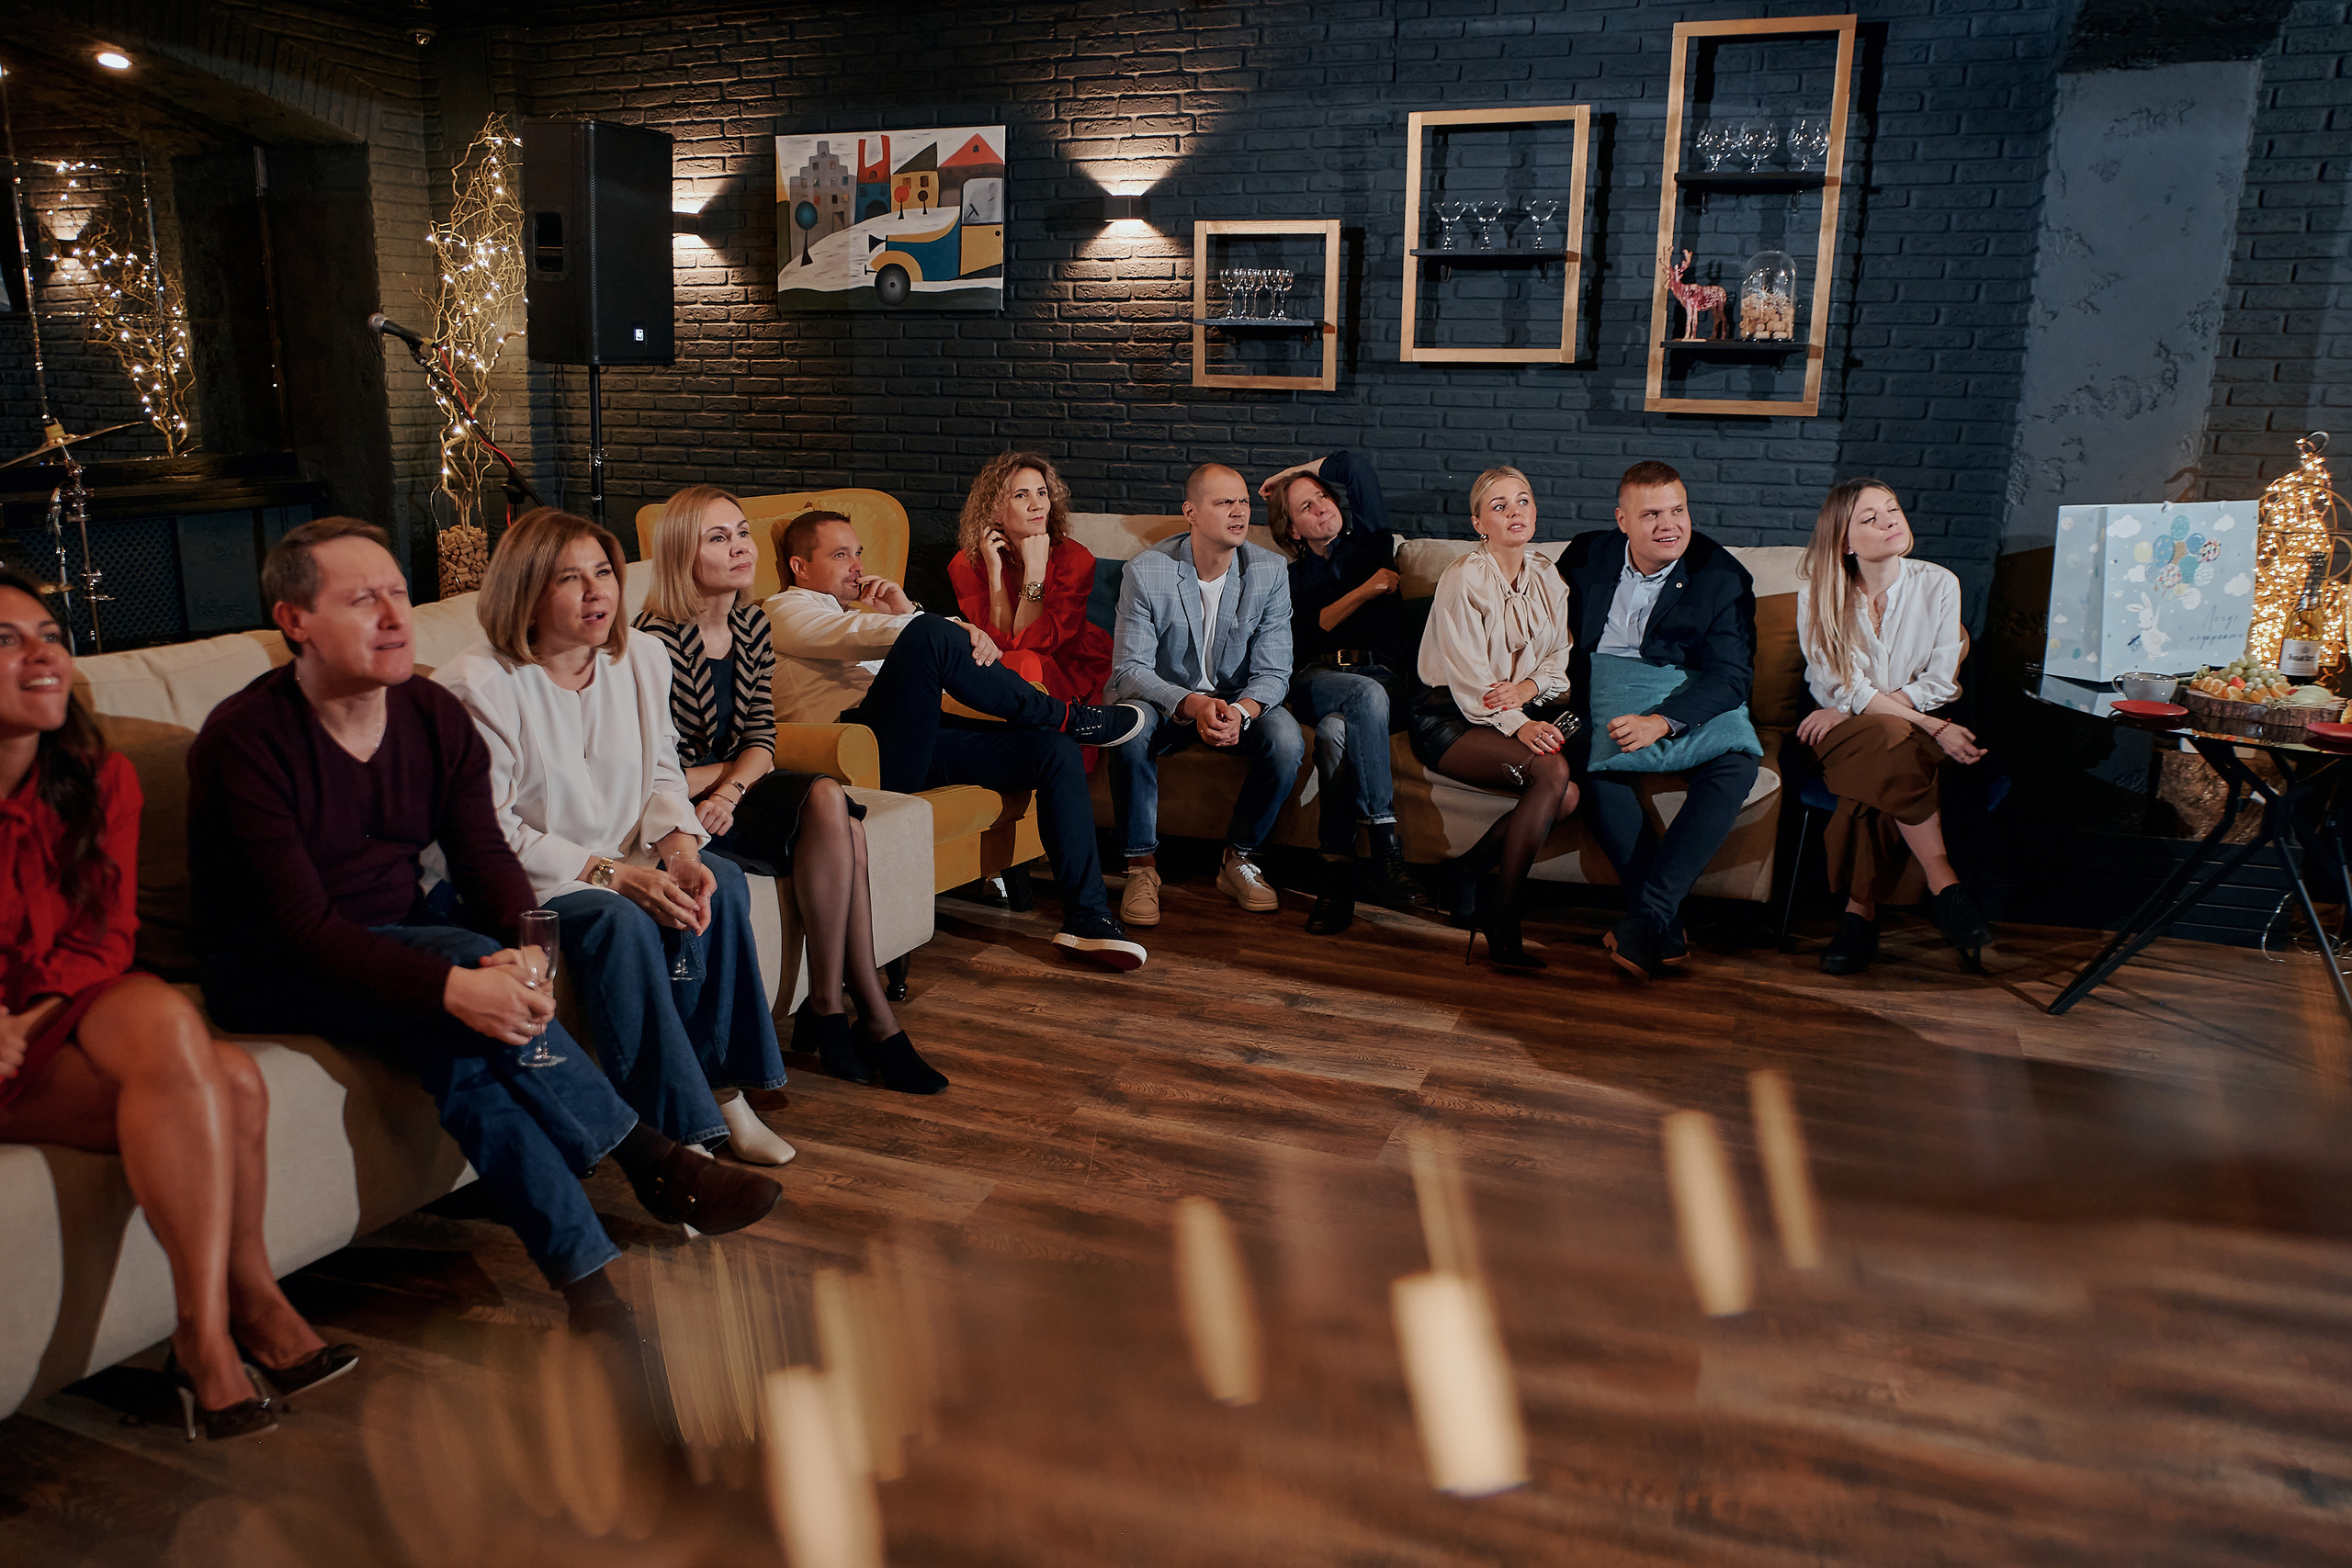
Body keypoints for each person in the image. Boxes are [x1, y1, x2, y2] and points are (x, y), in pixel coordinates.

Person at [189, 521, 781, 1359]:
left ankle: (594, 1296)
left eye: (398, 592)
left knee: (472, 1060)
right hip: (273, 964)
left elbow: (485, 860)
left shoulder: (426, 711)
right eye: (364, 600)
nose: (395, 614)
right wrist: (457, 980)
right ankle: (653, 1154)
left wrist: (528, 950)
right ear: (295, 621)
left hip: (407, 931)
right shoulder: (246, 739)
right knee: (468, 977)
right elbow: (301, 929)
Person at [0, 569, 349, 1442]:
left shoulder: (96, 775)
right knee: (228, 1082)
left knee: (162, 1015)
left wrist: (26, 1019)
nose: (43, 655)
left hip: (53, 1008)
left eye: (49, 633)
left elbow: (103, 940)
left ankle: (208, 1328)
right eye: (7, 641)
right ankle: (240, 1317)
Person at [435, 509, 829, 1153]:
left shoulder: (641, 657)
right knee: (617, 919)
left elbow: (663, 772)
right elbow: (494, 833)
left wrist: (677, 849)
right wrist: (617, 876)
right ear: (525, 595)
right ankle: (680, 1135)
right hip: (537, 879)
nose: (598, 592)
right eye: (570, 578)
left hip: (627, 851)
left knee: (720, 879)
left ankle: (727, 1095)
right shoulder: (478, 687)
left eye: (604, 573)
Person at [633, 486, 938, 1093]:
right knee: (830, 805)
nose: (740, 547)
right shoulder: (652, 641)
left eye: (741, 532)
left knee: (840, 818)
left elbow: (761, 737)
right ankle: (861, 1016)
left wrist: (734, 787)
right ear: (679, 553)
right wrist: (725, 787)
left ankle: (835, 1009)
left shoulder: (750, 623)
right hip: (674, 805)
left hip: (733, 788)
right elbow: (653, 769)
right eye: (718, 538)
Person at [766, 509, 1151, 970]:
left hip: (912, 742)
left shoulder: (862, 616)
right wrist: (926, 625)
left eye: (858, 553)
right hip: (856, 754)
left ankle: (1087, 920)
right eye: (839, 555)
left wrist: (907, 612)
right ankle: (1068, 715)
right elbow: (867, 635)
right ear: (799, 566)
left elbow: (929, 662)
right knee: (930, 632)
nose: (856, 565)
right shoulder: (784, 611)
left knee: (1052, 751)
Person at [1560, 460, 1763, 981]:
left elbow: (1732, 678)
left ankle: (1648, 917)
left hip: (1687, 689)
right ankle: (1660, 928)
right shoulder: (1586, 554)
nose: (1669, 525)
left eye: (1678, 510)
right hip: (1605, 686)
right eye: (1651, 514)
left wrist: (1663, 721)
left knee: (1737, 763)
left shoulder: (1722, 576)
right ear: (1622, 520)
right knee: (1598, 767)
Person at [1794, 478, 1993, 973]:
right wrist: (1934, 727)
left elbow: (1940, 681)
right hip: (1843, 734)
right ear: (1843, 541)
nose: (1890, 522)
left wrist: (1881, 710)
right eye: (1870, 518)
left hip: (1897, 731)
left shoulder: (1939, 583)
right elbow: (1843, 687)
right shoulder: (1818, 593)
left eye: (1893, 509)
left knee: (1885, 752)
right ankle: (1942, 877)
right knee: (1888, 738)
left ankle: (1858, 914)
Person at [1107, 463, 1304, 922]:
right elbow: (1130, 669)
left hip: (1235, 701)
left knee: (1288, 739)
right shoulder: (1147, 571)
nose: (1238, 512)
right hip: (1166, 702)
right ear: (1190, 513)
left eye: (1242, 502)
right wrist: (1192, 704)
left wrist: (1241, 711)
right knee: (1128, 728)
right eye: (1223, 503)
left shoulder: (1270, 571)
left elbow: (1275, 671)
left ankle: (1240, 858)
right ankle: (1140, 867)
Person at [1409, 468, 1579, 970]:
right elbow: (1469, 683)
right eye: (1499, 505)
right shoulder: (1463, 577)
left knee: (1567, 797)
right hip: (1448, 717)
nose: (1514, 512)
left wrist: (1527, 693)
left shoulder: (1549, 575)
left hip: (1510, 708)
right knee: (1554, 773)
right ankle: (1503, 912)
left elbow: (1557, 661)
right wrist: (1520, 723)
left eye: (1522, 501)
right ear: (1479, 521)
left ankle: (1464, 874)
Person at [1259, 450, 1420, 934]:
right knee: (1355, 700)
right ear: (1291, 530)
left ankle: (1335, 876)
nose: (1322, 507)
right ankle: (1387, 850)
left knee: (1334, 734)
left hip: (1381, 677)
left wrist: (1290, 474)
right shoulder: (1285, 579)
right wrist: (1367, 591)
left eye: (1323, 497)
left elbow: (1354, 467)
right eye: (1305, 507)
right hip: (1315, 679)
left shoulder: (1371, 543)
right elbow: (1311, 631)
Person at [946, 452, 1114, 713]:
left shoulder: (1076, 560)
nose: (1038, 505)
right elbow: (998, 644)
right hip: (1013, 665)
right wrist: (994, 570)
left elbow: (1036, 643)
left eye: (1042, 493)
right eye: (1021, 495)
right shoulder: (968, 563)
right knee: (1017, 662)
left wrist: (1035, 570)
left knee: (1025, 661)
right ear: (994, 510)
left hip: (1074, 665)